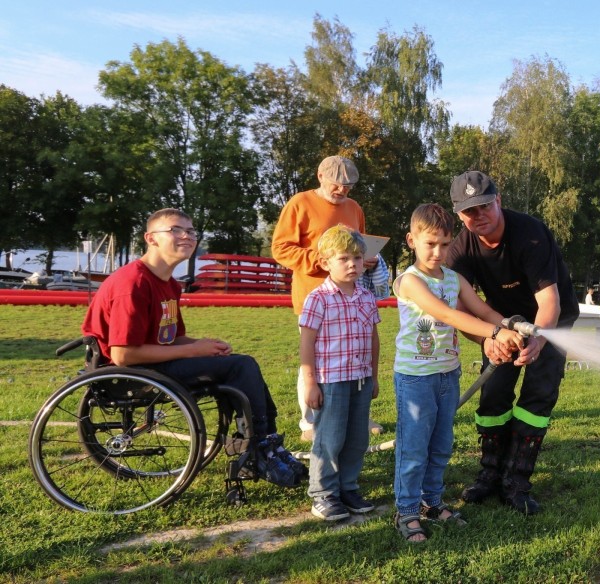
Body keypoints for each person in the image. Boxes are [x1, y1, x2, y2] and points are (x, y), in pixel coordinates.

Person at [82, 208, 306, 488]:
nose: (186, 236)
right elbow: (123, 354)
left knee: (240, 363)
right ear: (151, 238)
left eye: (191, 231)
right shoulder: (133, 283)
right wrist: (192, 350)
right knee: (241, 366)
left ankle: (267, 443)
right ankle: (259, 447)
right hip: (129, 374)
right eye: (176, 230)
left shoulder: (169, 284)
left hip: (153, 364)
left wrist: (204, 345)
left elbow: (169, 338)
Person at [443, 171, 580, 516]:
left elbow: (550, 302)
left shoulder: (530, 235)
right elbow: (462, 310)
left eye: (485, 206)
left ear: (498, 201)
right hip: (500, 325)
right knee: (494, 396)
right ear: (459, 214)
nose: (479, 216)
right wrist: (487, 341)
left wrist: (541, 339)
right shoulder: (459, 249)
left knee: (538, 395)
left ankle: (516, 481)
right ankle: (489, 474)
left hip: (551, 322)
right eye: (470, 211)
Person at [392, 203, 524, 540]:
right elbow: (447, 315)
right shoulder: (409, 281)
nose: (438, 252)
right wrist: (495, 333)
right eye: (430, 244)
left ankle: (432, 502)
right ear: (411, 240)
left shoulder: (454, 279)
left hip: (448, 375)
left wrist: (510, 324)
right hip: (415, 378)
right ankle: (406, 511)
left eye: (446, 244)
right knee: (414, 447)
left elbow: (482, 310)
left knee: (441, 445)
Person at [271, 155, 383, 441]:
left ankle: (358, 414)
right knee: (316, 356)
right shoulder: (300, 203)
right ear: (320, 176)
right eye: (337, 184)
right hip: (313, 294)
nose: (342, 191)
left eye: (348, 187)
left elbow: (357, 244)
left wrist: (364, 258)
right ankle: (309, 421)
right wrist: (320, 261)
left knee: (354, 351)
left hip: (353, 295)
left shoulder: (354, 208)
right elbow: (280, 248)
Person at [299, 226, 381, 521]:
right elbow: (306, 342)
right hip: (331, 381)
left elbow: (373, 338)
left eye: (358, 258)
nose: (352, 264)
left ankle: (348, 487)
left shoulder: (367, 297)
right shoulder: (318, 299)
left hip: (360, 378)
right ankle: (323, 493)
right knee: (330, 438)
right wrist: (310, 383)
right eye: (344, 258)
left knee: (357, 437)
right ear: (325, 263)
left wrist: (373, 375)